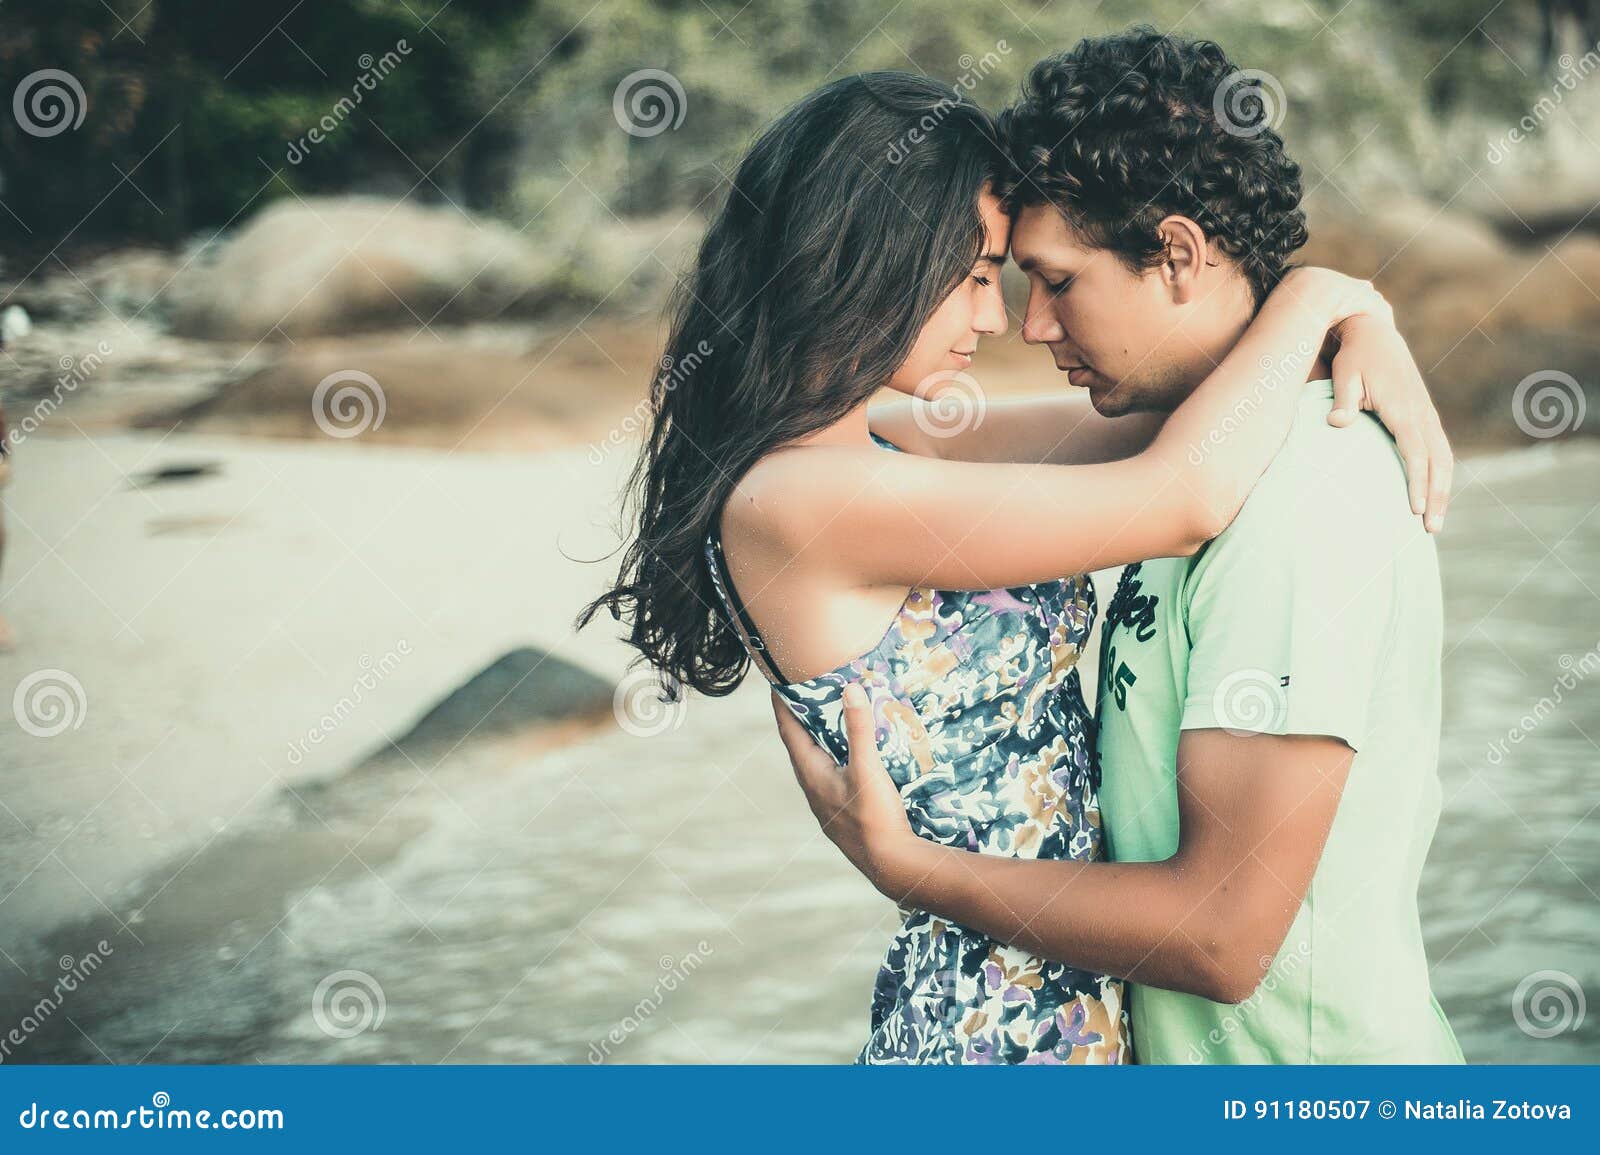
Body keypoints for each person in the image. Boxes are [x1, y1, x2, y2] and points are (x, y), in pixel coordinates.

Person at [582, 64, 1449, 1064]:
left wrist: (1360, 326)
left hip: (1070, 1011)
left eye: (1018, 277)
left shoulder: (883, 450)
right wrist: (1316, 294)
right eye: (973, 277)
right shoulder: (800, 502)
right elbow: (1176, 498)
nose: (1001, 321)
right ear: (871, 259)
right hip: (995, 1033)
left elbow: (1153, 430)